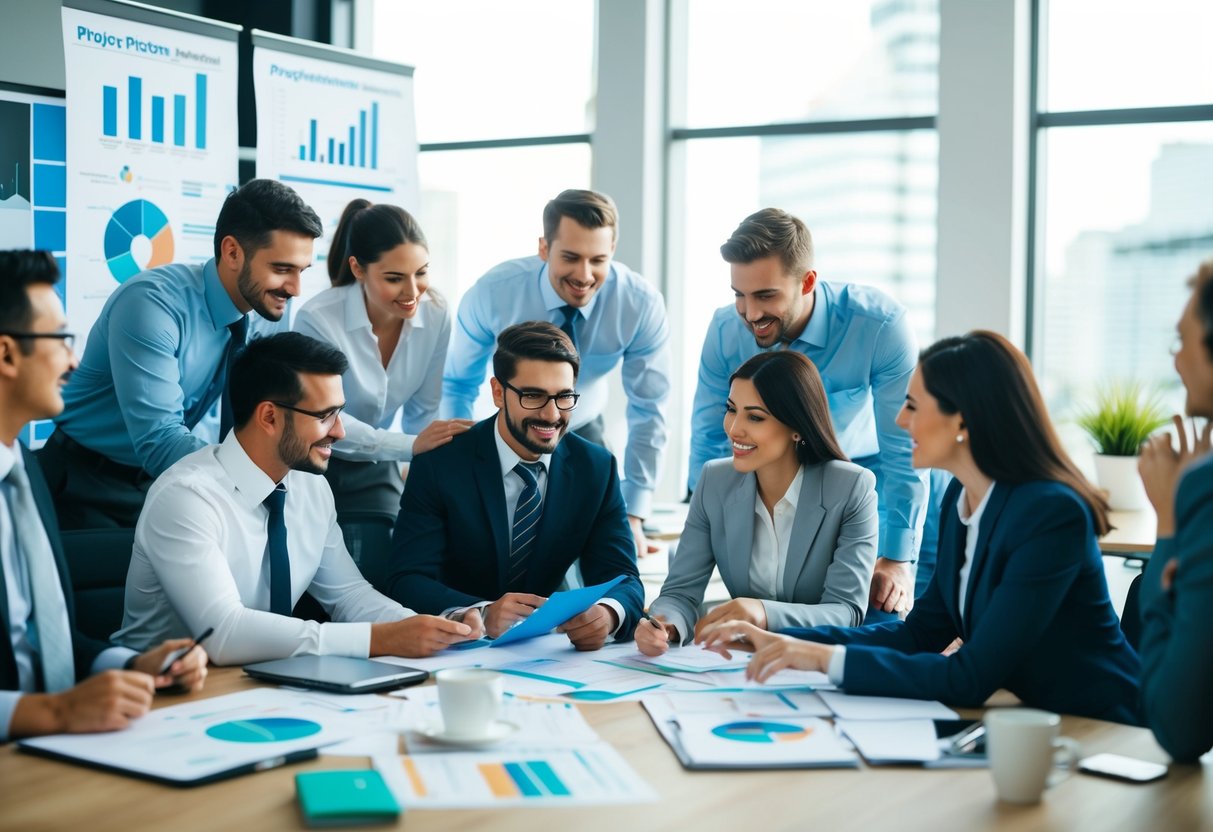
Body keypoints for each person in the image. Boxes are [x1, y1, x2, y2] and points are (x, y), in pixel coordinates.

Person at [699, 331, 1142, 725]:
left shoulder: (1050, 514)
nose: (899, 421)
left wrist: (819, 659)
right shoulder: (960, 498)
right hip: (1040, 722)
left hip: (1109, 727)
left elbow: (969, 677)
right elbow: (920, 633)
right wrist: (777, 640)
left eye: (912, 405)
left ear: (963, 421)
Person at [112, 332, 479, 665]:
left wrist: (435, 626)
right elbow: (224, 633)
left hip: (265, 681)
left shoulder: (309, 486)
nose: (339, 431)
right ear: (269, 417)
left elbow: (349, 595)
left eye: (340, 413)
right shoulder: (187, 497)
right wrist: (378, 639)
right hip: (161, 697)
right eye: (325, 416)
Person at [0, 250, 206, 741]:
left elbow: (43, 641)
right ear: (7, 354)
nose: (74, 361)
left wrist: (133, 662)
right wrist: (53, 714)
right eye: (60, 339)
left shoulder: (25, 473)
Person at [38, 179, 323, 529]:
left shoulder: (269, 309)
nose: (295, 288)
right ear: (232, 252)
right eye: (282, 269)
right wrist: (254, 480)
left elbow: (269, 416)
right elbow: (160, 440)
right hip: (86, 481)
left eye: (301, 271)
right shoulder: (151, 304)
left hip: (176, 478)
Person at [688, 208, 929, 617]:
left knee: (887, 615)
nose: (749, 313)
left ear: (808, 282)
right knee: (788, 606)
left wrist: (897, 558)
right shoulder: (726, 330)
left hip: (872, 473)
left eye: (765, 296)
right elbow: (709, 435)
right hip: (778, 473)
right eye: (739, 295)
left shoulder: (879, 325)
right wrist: (703, 522)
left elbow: (905, 446)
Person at [442, 189, 671, 558]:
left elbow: (649, 408)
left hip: (584, 426)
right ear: (544, 248)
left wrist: (634, 513)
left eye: (598, 259)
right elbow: (458, 383)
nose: (584, 275)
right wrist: (456, 470)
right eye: (570, 257)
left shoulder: (639, 303)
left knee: (600, 552)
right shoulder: (493, 293)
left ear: (613, 250)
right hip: (508, 427)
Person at [390, 321, 643, 651]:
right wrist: (481, 611)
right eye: (533, 395)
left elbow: (623, 577)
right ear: (498, 392)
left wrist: (608, 614)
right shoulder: (442, 462)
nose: (551, 415)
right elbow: (406, 579)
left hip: (545, 653)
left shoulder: (595, 467)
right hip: (453, 649)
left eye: (564, 397)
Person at [636, 351, 878, 656]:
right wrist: (664, 624)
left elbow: (846, 612)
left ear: (797, 426)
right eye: (731, 409)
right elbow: (680, 593)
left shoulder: (852, 487)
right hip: (743, 664)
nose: (734, 428)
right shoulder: (714, 481)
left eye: (755, 417)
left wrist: (763, 612)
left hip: (818, 662)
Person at [294, 199, 471, 522]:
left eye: (421, 273)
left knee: (384, 554)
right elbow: (325, 420)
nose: (413, 291)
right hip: (310, 462)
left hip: (377, 461)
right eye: (394, 278)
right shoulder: (317, 319)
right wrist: (410, 446)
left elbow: (423, 412)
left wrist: (419, 475)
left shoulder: (435, 312)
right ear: (358, 269)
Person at [1138, 257, 1213, 762]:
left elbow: (1178, 725)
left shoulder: (1204, 489)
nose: (1176, 360)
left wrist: (1169, 521)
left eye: (1183, 341)